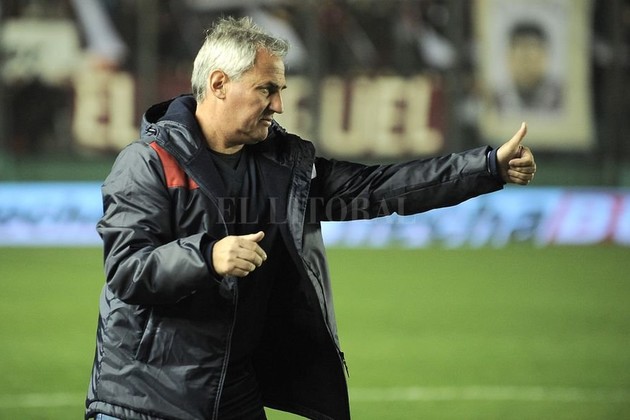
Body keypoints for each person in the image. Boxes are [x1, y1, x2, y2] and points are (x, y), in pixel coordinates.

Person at [85, 16, 536, 420]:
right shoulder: (147, 161)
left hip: (233, 394)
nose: (279, 105)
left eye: (280, 90)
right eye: (267, 89)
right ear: (219, 83)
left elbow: (376, 189)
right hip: (145, 400)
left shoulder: (283, 166)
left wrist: (486, 167)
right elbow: (127, 270)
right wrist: (207, 256)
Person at [495, 20, 564, 113]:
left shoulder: (563, 96)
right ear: (509, 57)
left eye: (530, 57)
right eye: (521, 56)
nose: (525, 64)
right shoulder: (496, 99)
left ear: (545, 56)